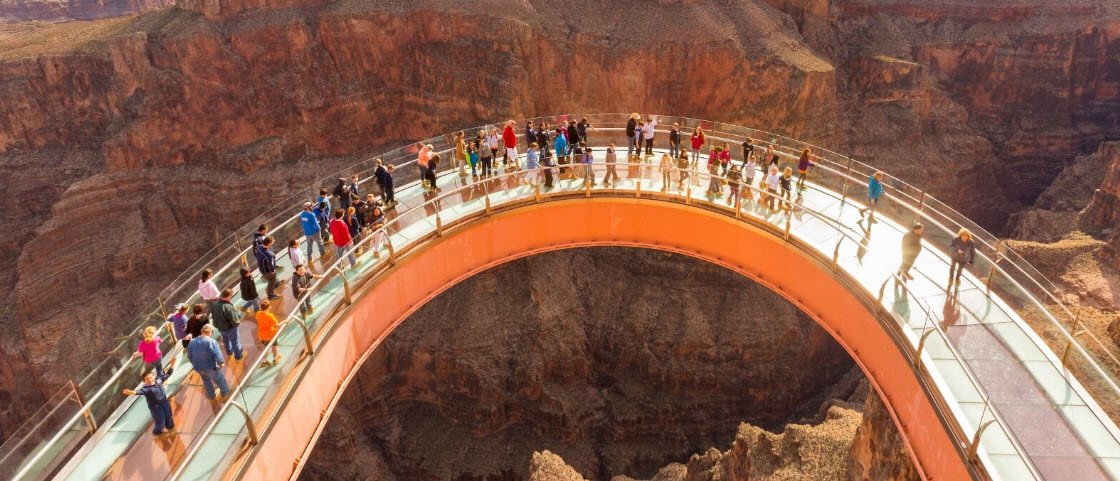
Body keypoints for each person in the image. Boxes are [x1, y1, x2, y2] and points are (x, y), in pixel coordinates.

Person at [122, 367, 176, 436]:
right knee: (160, 421)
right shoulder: (147, 389)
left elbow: (167, 375)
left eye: (151, 377)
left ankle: (170, 427)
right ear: (144, 381)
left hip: (164, 403)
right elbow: (139, 392)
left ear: (153, 376)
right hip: (156, 408)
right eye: (147, 379)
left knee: (169, 416)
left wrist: (172, 365)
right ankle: (156, 432)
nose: (150, 380)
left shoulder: (158, 380)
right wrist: (131, 392)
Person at [186, 325, 229, 401]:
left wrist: (195, 365)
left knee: (207, 381)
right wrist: (221, 362)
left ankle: (212, 396)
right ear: (210, 332)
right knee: (219, 379)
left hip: (199, 368)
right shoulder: (211, 341)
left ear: (201, 331)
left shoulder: (192, 342)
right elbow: (217, 354)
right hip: (210, 367)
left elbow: (189, 356)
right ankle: (225, 393)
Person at [210, 288, 243, 360]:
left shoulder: (215, 304)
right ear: (229, 296)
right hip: (230, 328)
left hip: (220, 327)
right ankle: (238, 356)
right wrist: (236, 325)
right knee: (235, 341)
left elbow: (212, 313)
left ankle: (229, 352)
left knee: (226, 340)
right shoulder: (228, 307)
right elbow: (235, 320)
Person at [255, 300, 281, 365]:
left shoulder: (258, 313)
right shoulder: (270, 316)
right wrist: (285, 321)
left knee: (266, 348)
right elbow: (277, 325)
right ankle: (275, 358)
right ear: (269, 307)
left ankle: (264, 362)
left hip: (262, 336)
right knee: (274, 346)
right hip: (271, 335)